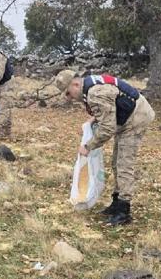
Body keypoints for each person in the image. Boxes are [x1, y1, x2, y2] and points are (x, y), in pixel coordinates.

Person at [55, 70, 155, 226]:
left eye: (68, 93)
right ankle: (116, 202)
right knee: (116, 162)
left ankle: (123, 210)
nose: (69, 98)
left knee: (124, 164)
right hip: (126, 118)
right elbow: (108, 108)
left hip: (136, 119)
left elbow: (107, 129)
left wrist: (88, 146)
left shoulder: (95, 93)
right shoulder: (89, 87)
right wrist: (92, 121)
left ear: (75, 84)